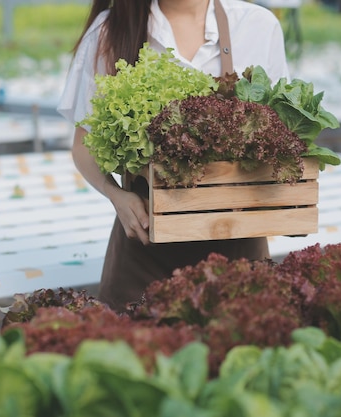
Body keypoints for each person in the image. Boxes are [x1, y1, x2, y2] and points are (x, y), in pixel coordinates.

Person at [57, 0, 291, 312]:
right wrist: (116, 195)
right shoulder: (109, 31)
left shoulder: (257, 26)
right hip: (144, 254)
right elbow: (83, 145)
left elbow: (280, 135)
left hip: (238, 251)